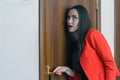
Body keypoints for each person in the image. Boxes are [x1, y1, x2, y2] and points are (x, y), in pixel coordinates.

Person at [53, 5, 120, 80]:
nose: (69, 21)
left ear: (82, 20)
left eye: (74, 18)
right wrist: (67, 70)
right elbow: (84, 76)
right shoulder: (77, 44)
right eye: (68, 17)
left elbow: (110, 63)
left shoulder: (93, 35)